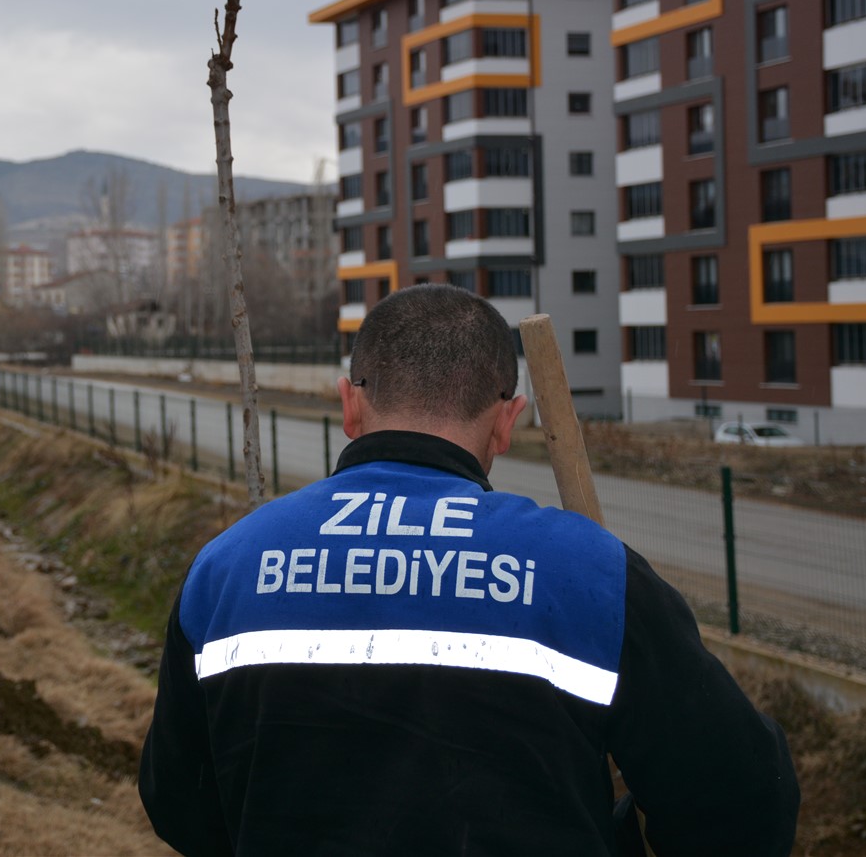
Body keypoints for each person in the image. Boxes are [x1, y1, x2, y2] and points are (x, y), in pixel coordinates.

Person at [139, 285, 798, 857]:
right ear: (507, 421)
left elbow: (179, 799)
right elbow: (743, 798)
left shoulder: (226, 569)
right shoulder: (592, 575)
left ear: (349, 404)